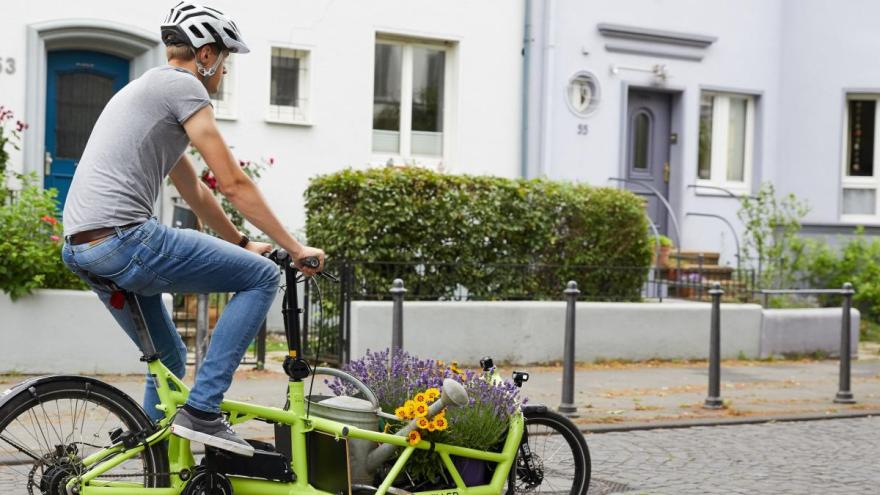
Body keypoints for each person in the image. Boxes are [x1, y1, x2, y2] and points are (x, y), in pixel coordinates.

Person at [60, 2, 324, 457]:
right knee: (261, 278)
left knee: (168, 360)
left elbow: (199, 192)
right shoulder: (183, 88)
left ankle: (152, 465)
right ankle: (203, 412)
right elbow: (235, 183)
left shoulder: (146, 91)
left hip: (83, 248)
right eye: (225, 61)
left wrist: (241, 242)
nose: (224, 74)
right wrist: (293, 247)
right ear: (205, 55)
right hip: (125, 240)